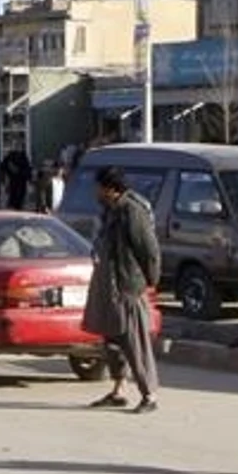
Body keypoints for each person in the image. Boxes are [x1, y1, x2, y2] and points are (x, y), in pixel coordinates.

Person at [82, 167, 162, 413]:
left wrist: (150, 281)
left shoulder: (131, 212)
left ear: (110, 188)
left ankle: (149, 395)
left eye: (99, 187)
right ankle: (118, 391)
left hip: (127, 287)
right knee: (113, 341)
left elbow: (149, 251)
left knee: (134, 342)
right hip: (109, 286)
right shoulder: (110, 211)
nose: (95, 192)